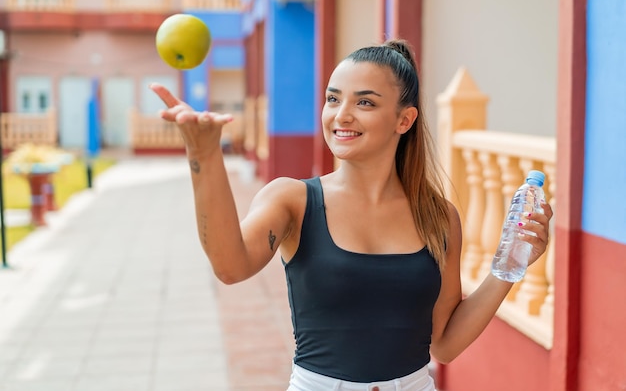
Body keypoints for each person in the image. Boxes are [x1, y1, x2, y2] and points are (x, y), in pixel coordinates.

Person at [150, 39, 553, 391]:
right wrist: (204, 155)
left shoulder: (438, 216)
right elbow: (229, 265)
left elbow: (445, 343)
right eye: (333, 98)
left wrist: (507, 269)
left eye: (364, 102)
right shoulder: (292, 200)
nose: (341, 114)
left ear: (404, 119)